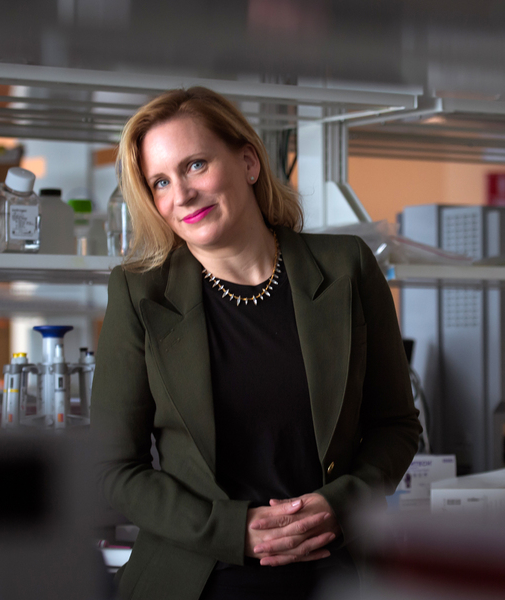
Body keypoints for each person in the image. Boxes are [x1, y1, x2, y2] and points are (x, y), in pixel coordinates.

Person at [92, 86, 421, 600]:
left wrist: (341, 503)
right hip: (196, 582)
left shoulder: (346, 268)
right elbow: (115, 470)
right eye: (160, 181)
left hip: (335, 577)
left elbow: (396, 426)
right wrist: (232, 529)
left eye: (196, 165)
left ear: (247, 161)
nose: (180, 195)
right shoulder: (141, 294)